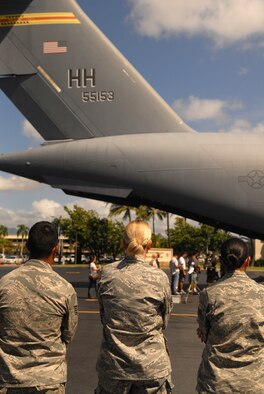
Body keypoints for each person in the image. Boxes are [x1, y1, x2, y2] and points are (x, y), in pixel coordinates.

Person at [0, 221, 78, 394]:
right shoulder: (64, 289)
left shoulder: (4, 284)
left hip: (10, 380)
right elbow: (68, 334)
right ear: (55, 249)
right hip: (49, 381)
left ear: (27, 246)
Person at [95, 220, 173, 393]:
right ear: (150, 245)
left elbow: (103, 316)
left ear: (123, 243)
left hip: (114, 367)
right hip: (151, 368)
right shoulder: (159, 278)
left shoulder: (106, 273)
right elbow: (164, 320)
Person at [196, 237, 264, 394]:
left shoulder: (209, 294)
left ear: (221, 261)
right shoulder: (262, 293)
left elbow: (204, 334)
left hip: (216, 383)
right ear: (247, 261)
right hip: (254, 383)